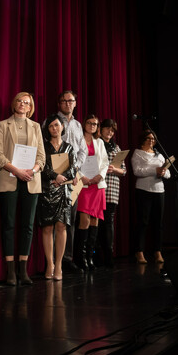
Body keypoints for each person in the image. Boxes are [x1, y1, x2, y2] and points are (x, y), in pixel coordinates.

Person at [0, 92, 46, 286]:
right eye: (20, 101)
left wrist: (32, 171)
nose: (23, 104)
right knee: (9, 224)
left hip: (31, 179)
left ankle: (23, 270)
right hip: (9, 177)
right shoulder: (3, 124)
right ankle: (10, 271)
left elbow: (41, 157)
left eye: (27, 102)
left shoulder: (36, 126)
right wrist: (17, 171)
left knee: (28, 225)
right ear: (14, 103)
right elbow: (0, 155)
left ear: (30, 107)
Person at [38, 114, 76, 281]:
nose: (54, 128)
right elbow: (42, 166)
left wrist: (62, 178)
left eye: (57, 125)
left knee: (61, 227)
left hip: (64, 190)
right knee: (47, 228)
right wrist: (55, 176)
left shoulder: (69, 147)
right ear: (48, 129)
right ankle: (50, 264)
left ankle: (59, 264)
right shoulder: (43, 146)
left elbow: (73, 169)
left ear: (62, 127)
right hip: (47, 189)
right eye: (51, 126)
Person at [55, 90, 88, 267]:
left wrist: (75, 168)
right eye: (64, 101)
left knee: (70, 219)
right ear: (59, 103)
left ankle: (67, 258)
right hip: (57, 177)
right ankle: (54, 260)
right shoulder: (52, 121)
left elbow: (83, 150)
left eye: (71, 100)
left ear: (75, 103)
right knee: (56, 220)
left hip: (73, 178)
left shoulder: (77, 125)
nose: (68, 103)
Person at [132, 130, 173, 265]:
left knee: (158, 223)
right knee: (143, 222)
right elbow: (137, 171)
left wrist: (163, 172)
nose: (151, 141)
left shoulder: (159, 155)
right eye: (148, 138)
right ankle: (139, 251)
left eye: (153, 139)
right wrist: (154, 170)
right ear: (143, 139)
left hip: (159, 190)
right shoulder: (138, 153)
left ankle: (157, 251)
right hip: (143, 190)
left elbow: (169, 174)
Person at [74, 115, 107, 270]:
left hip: (97, 184)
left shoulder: (99, 142)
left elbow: (105, 162)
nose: (92, 125)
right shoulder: (78, 140)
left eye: (95, 124)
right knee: (84, 220)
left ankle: (89, 257)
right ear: (84, 124)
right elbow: (74, 161)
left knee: (95, 220)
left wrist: (100, 175)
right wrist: (82, 176)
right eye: (89, 123)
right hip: (84, 185)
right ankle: (80, 257)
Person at [98, 119, 127, 267]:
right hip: (97, 186)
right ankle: (96, 255)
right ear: (101, 129)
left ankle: (108, 255)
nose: (110, 132)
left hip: (112, 187)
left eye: (112, 130)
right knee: (97, 222)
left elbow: (124, 171)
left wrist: (114, 169)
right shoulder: (97, 143)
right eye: (107, 128)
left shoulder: (116, 147)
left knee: (109, 221)